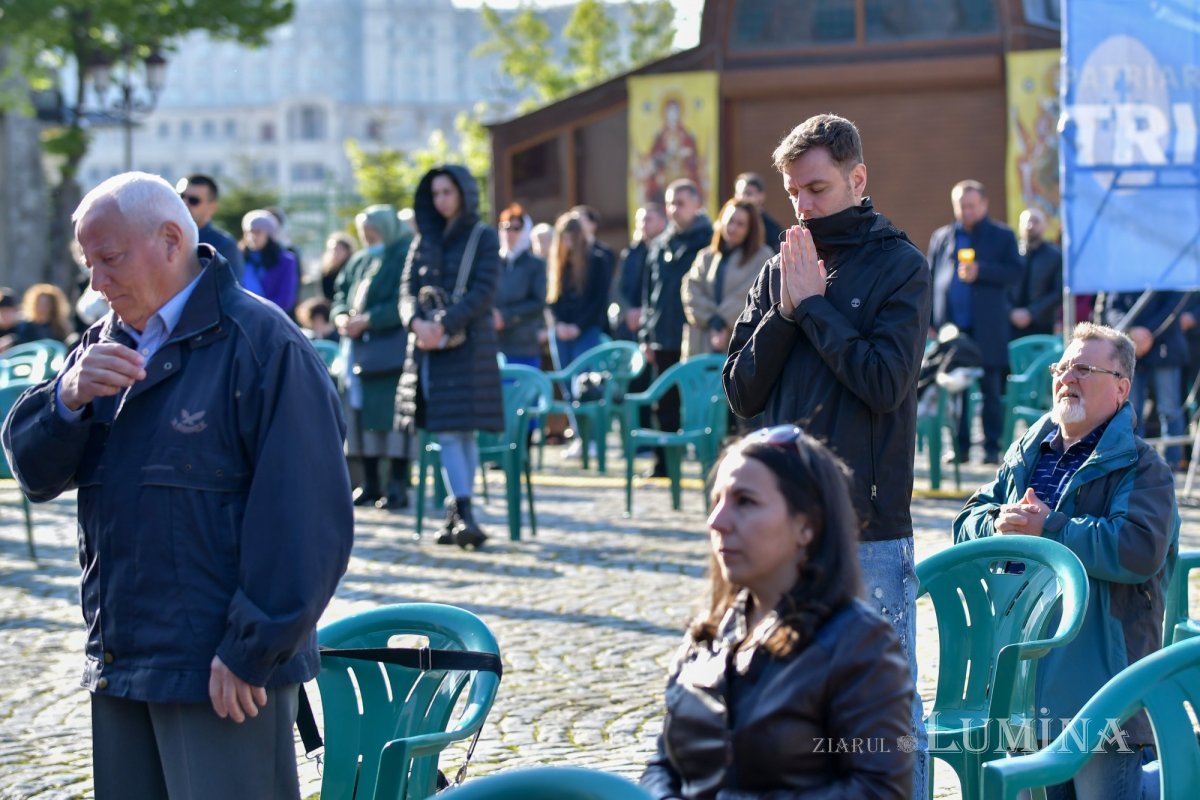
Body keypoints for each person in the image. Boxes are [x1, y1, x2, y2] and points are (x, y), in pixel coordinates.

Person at [0, 171, 353, 799]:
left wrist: (251, 650)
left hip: (221, 676)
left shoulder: (263, 345)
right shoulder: (103, 343)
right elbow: (32, 470)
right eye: (88, 265)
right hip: (122, 664)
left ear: (170, 240)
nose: (95, 284)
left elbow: (306, 521)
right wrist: (66, 398)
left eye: (108, 260)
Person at [722, 113, 932, 794]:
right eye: (794, 195)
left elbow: (884, 382)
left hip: (866, 530)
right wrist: (786, 312)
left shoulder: (900, 264)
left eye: (816, 188)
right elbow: (741, 392)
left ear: (857, 178)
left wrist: (814, 308)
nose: (804, 207)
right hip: (784, 534)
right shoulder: (781, 266)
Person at [954, 322, 1177, 800]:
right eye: (1063, 366)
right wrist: (997, 526)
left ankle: (1170, 778)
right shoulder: (1026, 452)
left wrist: (1049, 529)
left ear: (1121, 388)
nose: (1067, 378)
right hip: (1021, 677)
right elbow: (966, 521)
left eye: (1085, 369)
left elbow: (1137, 550)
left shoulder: (1143, 466)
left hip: (1098, 686)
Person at [640, 425, 915, 799]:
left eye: (745, 502)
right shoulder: (707, 637)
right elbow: (663, 765)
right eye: (717, 500)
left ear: (806, 525)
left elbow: (878, 790)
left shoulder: (858, 644)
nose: (717, 522)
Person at [396, 165, 503, 549]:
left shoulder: (484, 236)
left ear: (463, 194)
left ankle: (461, 509)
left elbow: (485, 290)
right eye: (436, 193)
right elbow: (406, 292)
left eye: (448, 192)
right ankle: (461, 510)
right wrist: (416, 324)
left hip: (469, 347)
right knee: (445, 432)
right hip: (428, 349)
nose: (441, 200)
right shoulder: (422, 240)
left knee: (462, 431)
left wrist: (443, 323)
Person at [928, 179, 1022, 463]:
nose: (965, 211)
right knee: (955, 391)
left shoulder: (1001, 236)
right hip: (953, 330)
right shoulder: (943, 237)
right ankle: (960, 448)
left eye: (971, 206)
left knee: (990, 389)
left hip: (988, 328)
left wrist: (982, 270)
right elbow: (932, 279)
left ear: (983, 204)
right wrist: (931, 319)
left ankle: (992, 449)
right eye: (961, 206)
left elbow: (1015, 273)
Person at [333, 204, 416, 511]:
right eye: (364, 233)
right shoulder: (359, 261)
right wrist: (342, 316)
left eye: (374, 232)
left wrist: (370, 319)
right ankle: (369, 482)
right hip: (358, 352)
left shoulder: (404, 255)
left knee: (393, 420)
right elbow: (341, 294)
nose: (369, 238)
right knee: (359, 417)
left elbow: (404, 301)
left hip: (391, 353)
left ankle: (396, 483)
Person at [641, 178, 713, 478]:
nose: (673, 210)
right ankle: (664, 465)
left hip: (694, 335)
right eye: (670, 203)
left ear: (697, 204)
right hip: (662, 335)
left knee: (702, 403)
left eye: (680, 203)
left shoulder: (709, 239)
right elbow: (648, 295)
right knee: (664, 403)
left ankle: (708, 464)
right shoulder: (660, 244)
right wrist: (646, 335)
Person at [1101, 291, 1192, 470]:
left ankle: (1169, 466)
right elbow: (1112, 308)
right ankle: (1133, 464)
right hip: (1130, 349)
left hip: (1166, 347)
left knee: (1169, 410)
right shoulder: (1123, 269)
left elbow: (1173, 306)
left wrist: (1145, 334)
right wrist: (1131, 331)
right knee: (1131, 412)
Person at [681, 198, 772, 360]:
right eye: (730, 221)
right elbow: (690, 289)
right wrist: (712, 320)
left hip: (741, 341)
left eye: (740, 224)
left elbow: (751, 293)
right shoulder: (706, 256)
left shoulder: (763, 257)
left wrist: (723, 320)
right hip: (702, 339)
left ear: (750, 229)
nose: (733, 228)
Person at [546, 213, 611, 368]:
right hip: (561, 330)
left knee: (582, 379)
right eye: (564, 238)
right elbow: (551, 299)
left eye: (571, 238)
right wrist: (558, 324)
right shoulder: (557, 264)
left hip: (587, 328)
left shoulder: (597, 261)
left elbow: (600, 300)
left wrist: (579, 327)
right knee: (566, 380)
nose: (568, 243)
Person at [493, 202, 547, 370]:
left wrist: (506, 316)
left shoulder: (535, 265)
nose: (510, 233)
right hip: (495, 344)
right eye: (505, 227)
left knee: (524, 393)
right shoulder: (492, 263)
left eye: (516, 228)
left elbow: (538, 303)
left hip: (524, 345)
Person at [176, 174, 243, 282]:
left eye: (194, 200)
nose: (184, 203)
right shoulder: (163, 238)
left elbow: (228, 293)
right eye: (181, 196)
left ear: (211, 208)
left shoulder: (224, 246)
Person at [614, 204, 666, 343]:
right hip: (631, 324)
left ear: (662, 222)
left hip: (659, 322)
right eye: (640, 220)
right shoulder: (630, 253)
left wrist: (645, 312)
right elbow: (618, 288)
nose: (643, 224)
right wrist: (627, 311)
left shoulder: (667, 252)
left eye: (648, 219)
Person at [1009, 207, 1062, 338]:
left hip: (1042, 324)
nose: (1030, 226)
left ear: (1044, 226)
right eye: (1026, 222)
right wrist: (1010, 312)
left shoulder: (1054, 256)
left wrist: (1031, 313)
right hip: (1010, 324)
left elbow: (1058, 291)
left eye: (1035, 222)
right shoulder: (1010, 254)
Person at [240, 209, 299, 315]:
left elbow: (286, 299)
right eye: (248, 232)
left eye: (258, 232)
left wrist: (259, 312)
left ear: (269, 234)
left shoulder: (285, 261)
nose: (252, 236)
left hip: (272, 320)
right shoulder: (238, 257)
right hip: (241, 317)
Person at [6, 283, 73, 347]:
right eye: (40, 303)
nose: (42, 307)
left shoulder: (60, 328)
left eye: (46, 304)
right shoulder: (25, 327)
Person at [734, 171, 785, 253]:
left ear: (761, 196)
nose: (742, 198)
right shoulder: (728, 222)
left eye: (748, 193)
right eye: (738, 193)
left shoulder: (772, 228)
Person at [320, 231, 356, 301]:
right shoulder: (327, 272)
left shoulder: (353, 268)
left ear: (347, 251)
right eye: (333, 250)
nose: (335, 253)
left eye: (339, 249)